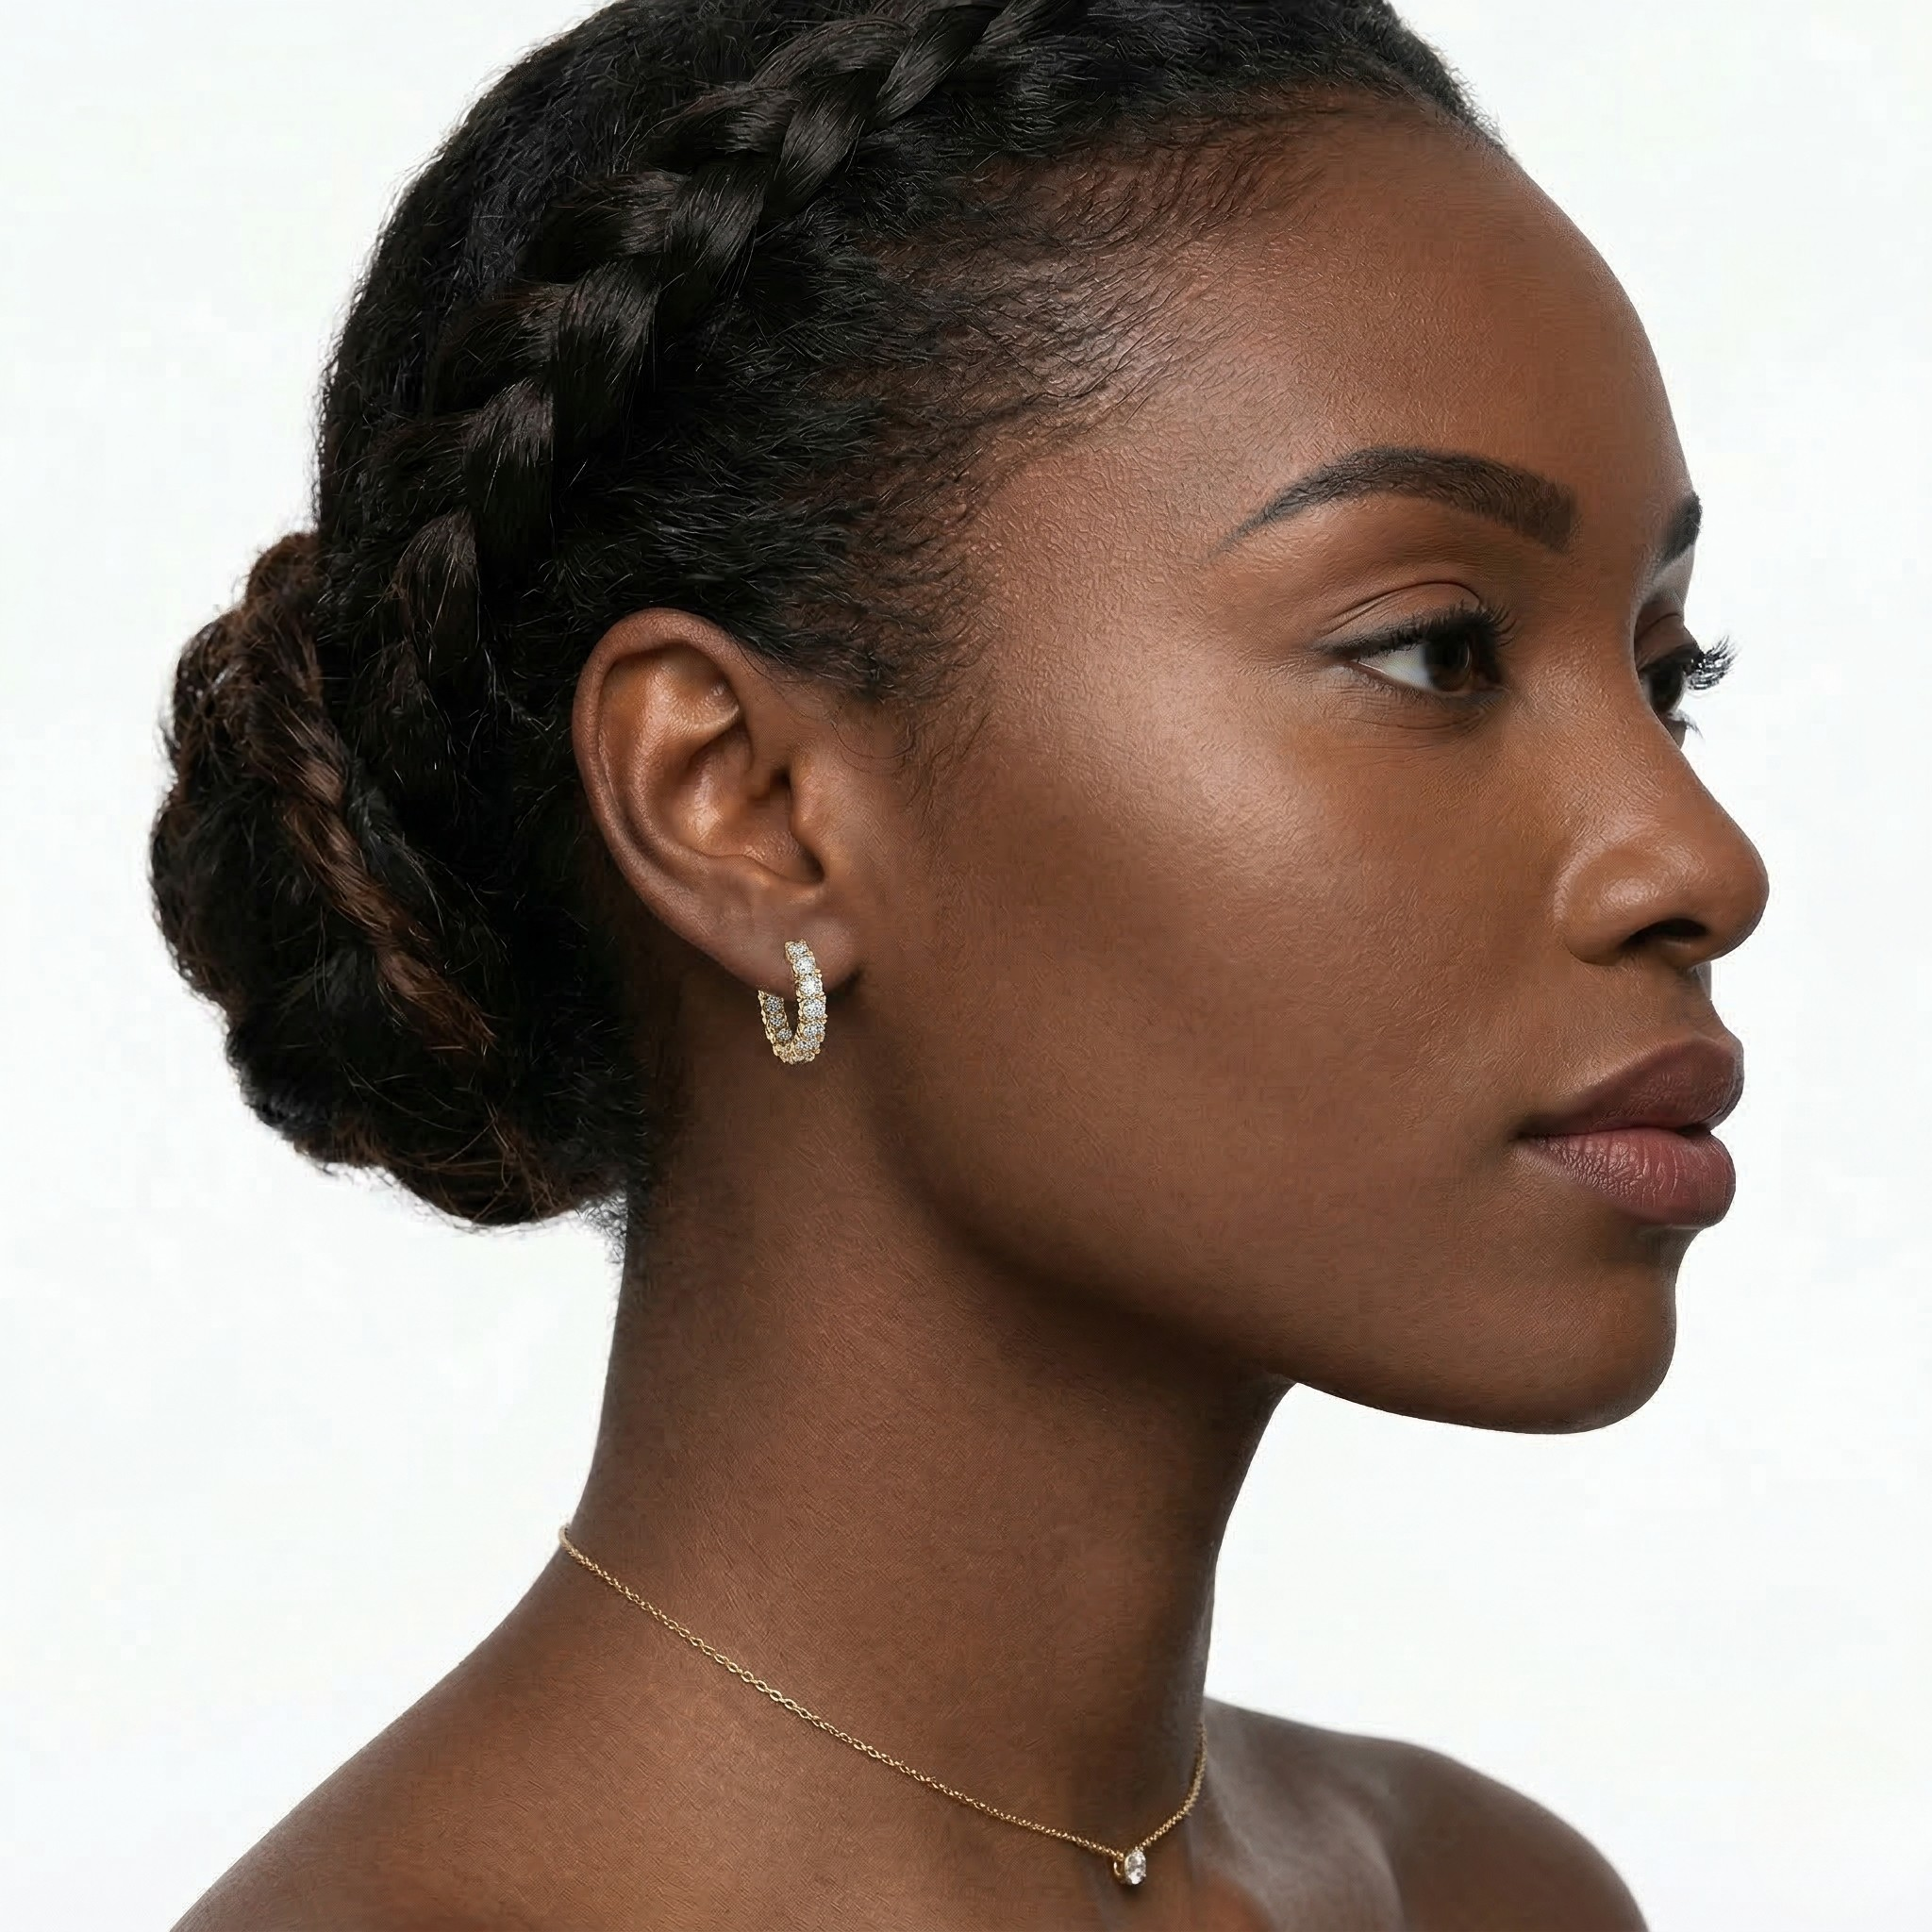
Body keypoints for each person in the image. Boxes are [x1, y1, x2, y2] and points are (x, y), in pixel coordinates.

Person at [152, 0, 1769, 1924]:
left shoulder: (1488, 1896)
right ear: (740, 800)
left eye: (1666, 679)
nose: (1695, 858)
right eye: (1433, 647)